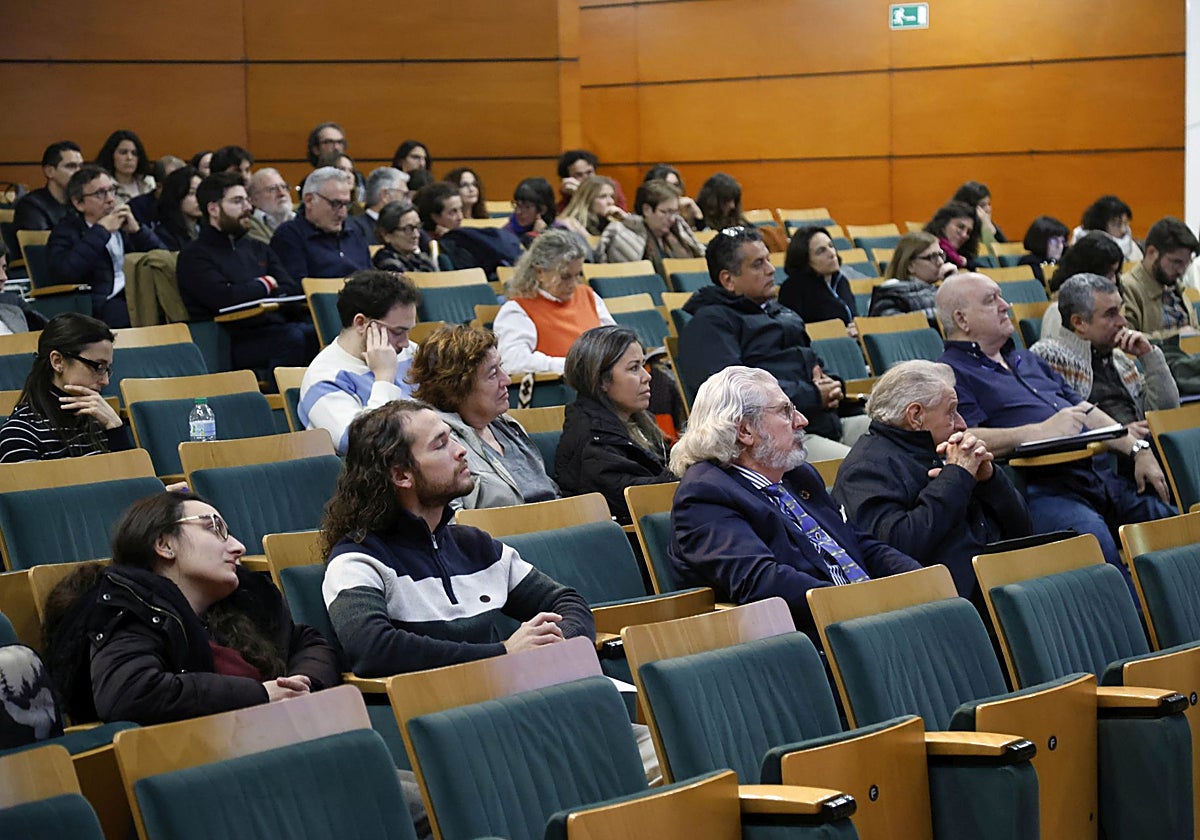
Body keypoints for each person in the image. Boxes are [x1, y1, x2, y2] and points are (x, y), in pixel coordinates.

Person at [320, 399, 595, 676]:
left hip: (514, 697)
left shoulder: (476, 546)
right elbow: (373, 650)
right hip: (436, 713)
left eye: (452, 438)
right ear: (402, 475)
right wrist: (503, 654)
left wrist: (555, 643)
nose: (461, 450)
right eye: (440, 445)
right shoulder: (358, 559)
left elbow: (568, 602)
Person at [935, 272, 1174, 588]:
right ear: (962, 319)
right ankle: (1140, 630)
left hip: (1094, 476)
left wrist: (1136, 449)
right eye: (992, 300)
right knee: (1094, 544)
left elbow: (1085, 410)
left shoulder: (1025, 358)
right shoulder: (950, 373)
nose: (1006, 306)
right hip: (1040, 490)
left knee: (1170, 522)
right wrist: (1038, 430)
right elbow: (963, 440)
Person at [42, 490, 341, 725]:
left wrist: (300, 686)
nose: (238, 547)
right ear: (164, 544)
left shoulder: (242, 605)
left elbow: (307, 642)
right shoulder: (130, 609)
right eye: (215, 529)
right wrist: (262, 694)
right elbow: (131, 692)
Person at [667, 366, 921, 638]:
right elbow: (762, 582)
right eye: (785, 412)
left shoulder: (797, 476)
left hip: (864, 617)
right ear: (744, 431)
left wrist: (919, 581)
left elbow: (856, 542)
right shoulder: (705, 495)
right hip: (808, 638)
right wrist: (858, 603)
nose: (801, 421)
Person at [832, 360, 1031, 597]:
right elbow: (900, 549)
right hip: (945, 601)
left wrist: (990, 481)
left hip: (1002, 581)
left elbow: (1023, 530)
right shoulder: (866, 468)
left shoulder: (945, 451)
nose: (962, 424)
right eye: (951, 412)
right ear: (915, 415)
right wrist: (956, 479)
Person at [677, 226, 868, 459]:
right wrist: (813, 395)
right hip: (774, 441)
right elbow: (734, 397)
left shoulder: (781, 312)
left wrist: (832, 385)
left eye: (768, 260)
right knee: (869, 466)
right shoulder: (709, 324)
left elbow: (814, 366)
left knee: (911, 436)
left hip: (826, 422)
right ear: (728, 280)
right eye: (758, 264)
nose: (771, 270)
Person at [177, 172, 316, 372]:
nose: (248, 208)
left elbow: (290, 288)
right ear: (213, 209)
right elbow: (224, 299)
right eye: (237, 201)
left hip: (274, 326)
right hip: (230, 340)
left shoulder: (258, 247)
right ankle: (284, 400)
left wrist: (255, 289)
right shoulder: (194, 255)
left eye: (247, 201)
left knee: (315, 334)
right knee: (293, 338)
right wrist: (266, 284)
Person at [409, 325, 558, 510]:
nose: (507, 381)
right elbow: (452, 524)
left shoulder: (508, 427)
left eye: (501, 368)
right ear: (458, 387)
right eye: (493, 374)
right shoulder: (441, 444)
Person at [556, 325, 673, 522]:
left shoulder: (637, 420)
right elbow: (639, 497)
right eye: (634, 368)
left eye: (643, 365)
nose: (647, 377)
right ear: (602, 380)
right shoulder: (592, 441)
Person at [1032, 273, 1178, 427]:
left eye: (1121, 311)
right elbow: (1058, 428)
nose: (1123, 322)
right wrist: (1120, 436)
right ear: (1079, 322)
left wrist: (1149, 356)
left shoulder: (1120, 360)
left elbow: (1166, 415)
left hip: (1142, 445)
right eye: (1110, 314)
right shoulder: (1048, 356)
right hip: (1106, 449)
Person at [299, 269, 420, 454]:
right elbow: (363, 444)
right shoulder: (324, 378)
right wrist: (384, 378)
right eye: (397, 332)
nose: (405, 342)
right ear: (361, 323)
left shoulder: (409, 352)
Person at [0, 313, 132, 463]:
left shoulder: (102, 421)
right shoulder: (20, 434)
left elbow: (136, 482)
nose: (106, 381)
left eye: (107, 369)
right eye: (98, 366)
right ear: (57, 361)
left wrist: (116, 428)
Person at [48, 164, 165, 327]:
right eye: (100, 193)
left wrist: (138, 232)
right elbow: (66, 272)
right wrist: (101, 231)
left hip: (137, 294)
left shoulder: (124, 225)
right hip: (101, 302)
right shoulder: (66, 231)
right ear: (78, 203)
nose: (110, 199)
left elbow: (163, 260)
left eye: (112, 190)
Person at [494, 229, 614, 374]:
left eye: (578, 275)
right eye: (565, 276)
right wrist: (571, 366)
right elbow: (512, 362)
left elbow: (614, 344)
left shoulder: (588, 296)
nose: (573, 284)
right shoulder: (517, 310)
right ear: (540, 273)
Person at [270, 167, 371, 281]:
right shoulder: (289, 236)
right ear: (309, 200)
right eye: (335, 204)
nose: (343, 214)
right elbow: (298, 290)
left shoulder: (354, 233)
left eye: (346, 204)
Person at [595, 179, 704, 277]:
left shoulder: (678, 230)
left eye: (674, 212)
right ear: (647, 210)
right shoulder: (623, 235)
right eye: (665, 212)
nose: (671, 219)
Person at [1120, 216, 1199, 340]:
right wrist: (1176, 336)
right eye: (1176, 262)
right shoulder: (1127, 287)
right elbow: (1126, 339)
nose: (1181, 270)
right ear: (1152, 252)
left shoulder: (1175, 286)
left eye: (1186, 263)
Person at [778, 225, 864, 335]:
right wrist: (839, 334)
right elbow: (794, 333)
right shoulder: (793, 289)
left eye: (831, 246)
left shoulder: (841, 281)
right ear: (805, 260)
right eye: (821, 251)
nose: (832, 253)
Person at [867, 231, 947, 327]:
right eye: (933, 257)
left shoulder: (938, 289)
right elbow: (900, 328)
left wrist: (953, 284)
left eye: (940, 254)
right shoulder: (891, 295)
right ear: (910, 266)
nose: (941, 262)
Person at [12, 141, 83, 232]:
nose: (79, 173)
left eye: (80, 166)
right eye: (70, 166)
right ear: (49, 171)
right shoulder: (31, 206)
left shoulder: (81, 203)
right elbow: (40, 244)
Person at [346, 167, 409, 246]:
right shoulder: (355, 228)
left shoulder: (410, 227)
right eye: (404, 195)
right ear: (385, 195)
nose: (408, 201)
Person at [372, 201, 437, 274]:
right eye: (408, 229)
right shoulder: (386, 262)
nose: (416, 235)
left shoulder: (422, 259)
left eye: (418, 227)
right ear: (386, 235)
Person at [1074, 194, 1143, 262]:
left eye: (1126, 224)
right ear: (1100, 226)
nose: (1123, 230)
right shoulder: (1080, 250)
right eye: (1117, 225)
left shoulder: (1134, 247)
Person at [556, 148, 627, 211]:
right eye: (579, 175)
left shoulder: (610, 187)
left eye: (589, 172)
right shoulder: (567, 197)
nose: (586, 178)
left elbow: (620, 212)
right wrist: (577, 196)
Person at [95, 130, 155, 204]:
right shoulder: (103, 186)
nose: (129, 157)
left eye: (134, 153)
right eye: (123, 152)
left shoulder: (149, 184)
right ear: (111, 155)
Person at [152, 165, 202, 251]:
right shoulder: (164, 233)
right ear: (177, 195)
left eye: (201, 192)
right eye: (191, 193)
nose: (199, 198)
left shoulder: (207, 227)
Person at [559, 175, 624, 236]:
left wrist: (625, 219)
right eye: (603, 196)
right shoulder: (571, 225)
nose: (611, 202)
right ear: (588, 199)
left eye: (612, 196)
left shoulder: (611, 222)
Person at [924, 200, 979, 269]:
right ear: (943, 225)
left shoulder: (965, 259)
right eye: (960, 227)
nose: (964, 235)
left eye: (969, 232)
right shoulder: (925, 253)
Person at [246, 167, 295, 244]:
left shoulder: (303, 219)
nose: (282, 193)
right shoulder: (248, 227)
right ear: (254, 199)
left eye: (284, 187)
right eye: (272, 189)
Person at [1018, 215, 1069, 285]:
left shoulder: (1064, 262)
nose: (1060, 246)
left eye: (1062, 241)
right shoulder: (1029, 264)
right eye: (1054, 240)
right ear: (1040, 240)